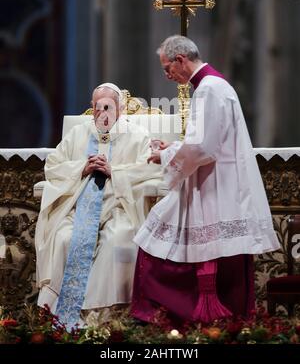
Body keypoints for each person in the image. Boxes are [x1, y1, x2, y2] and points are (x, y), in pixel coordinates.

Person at [131, 35, 280, 325]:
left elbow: (203, 148)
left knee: (155, 245)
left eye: (167, 68)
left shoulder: (209, 90)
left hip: (214, 186)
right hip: (215, 181)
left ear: (180, 60)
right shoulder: (213, 86)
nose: (167, 75)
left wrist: (164, 155)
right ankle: (213, 321)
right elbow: (203, 142)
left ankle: (175, 318)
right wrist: (172, 148)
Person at [35, 83, 162, 329]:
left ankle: (106, 319)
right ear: (91, 108)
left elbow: (151, 171)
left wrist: (115, 171)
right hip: (77, 208)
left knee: (118, 239)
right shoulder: (78, 135)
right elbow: (53, 167)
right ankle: (60, 317)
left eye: (108, 107)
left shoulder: (137, 136)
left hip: (120, 208)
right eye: (97, 107)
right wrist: (81, 168)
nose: (102, 112)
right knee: (63, 237)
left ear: (119, 110)